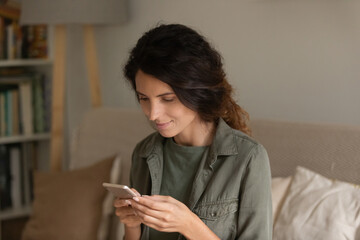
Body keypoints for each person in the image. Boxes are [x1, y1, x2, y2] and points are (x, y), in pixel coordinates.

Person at [113, 23, 272, 240]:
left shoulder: (248, 158)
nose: (153, 114)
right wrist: (131, 226)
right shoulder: (143, 153)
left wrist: (189, 225)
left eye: (167, 99)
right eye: (143, 98)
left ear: (197, 91)